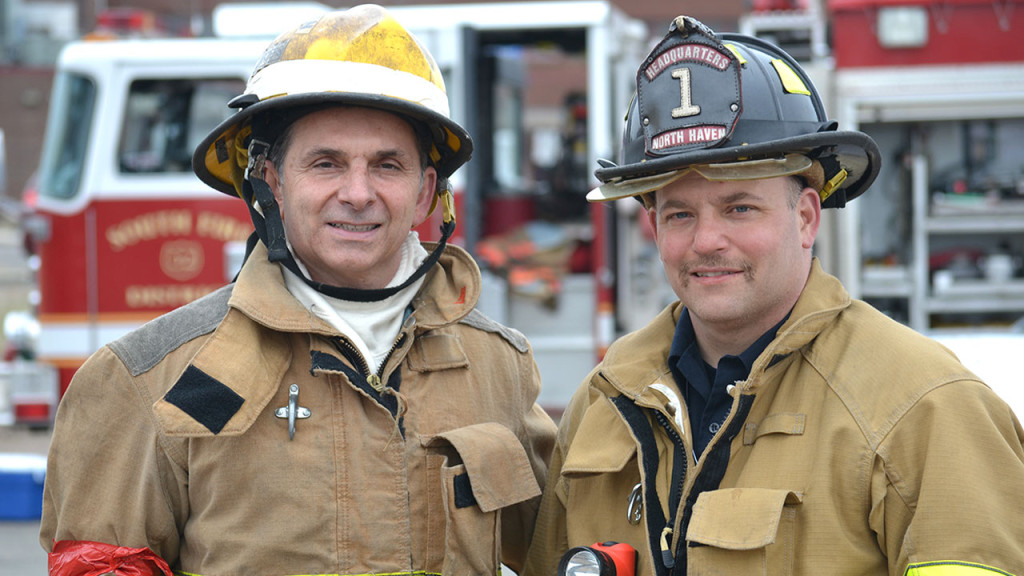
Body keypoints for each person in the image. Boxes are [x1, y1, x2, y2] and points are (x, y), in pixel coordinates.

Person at [40, 6, 556, 576]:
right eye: (326, 163)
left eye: (387, 165)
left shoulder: (498, 366)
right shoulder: (146, 381)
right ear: (272, 183)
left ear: (425, 191)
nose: (358, 193)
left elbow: (567, 550)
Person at [523, 14, 1024, 576]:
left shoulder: (927, 407)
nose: (706, 241)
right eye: (679, 213)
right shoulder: (605, 399)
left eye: (740, 207)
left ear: (806, 218)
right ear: (655, 229)